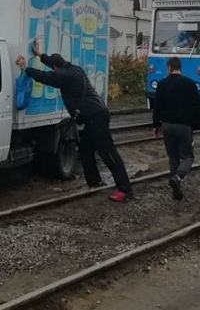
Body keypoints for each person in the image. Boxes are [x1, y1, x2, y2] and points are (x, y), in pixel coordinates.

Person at [16, 42, 133, 202]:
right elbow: (52, 62)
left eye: (53, 67)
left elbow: (45, 77)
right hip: (92, 116)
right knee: (85, 150)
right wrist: (39, 54)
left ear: (56, 68)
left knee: (108, 153)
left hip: (96, 116)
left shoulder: (65, 76)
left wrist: (25, 68)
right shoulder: (72, 69)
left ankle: (125, 189)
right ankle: (94, 182)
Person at [152, 56, 200, 200]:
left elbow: (157, 107)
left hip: (167, 125)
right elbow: (199, 104)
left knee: (173, 157)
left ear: (169, 68)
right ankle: (178, 177)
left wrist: (156, 125)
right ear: (179, 68)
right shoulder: (189, 83)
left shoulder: (162, 84)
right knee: (188, 157)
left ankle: (176, 191)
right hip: (183, 126)